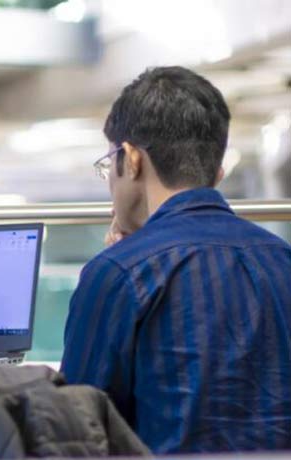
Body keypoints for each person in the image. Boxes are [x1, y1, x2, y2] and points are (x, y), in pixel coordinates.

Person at [60, 66, 291, 454]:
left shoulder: (119, 273)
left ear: (131, 159)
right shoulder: (282, 259)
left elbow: (73, 429)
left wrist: (123, 260)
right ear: (216, 173)